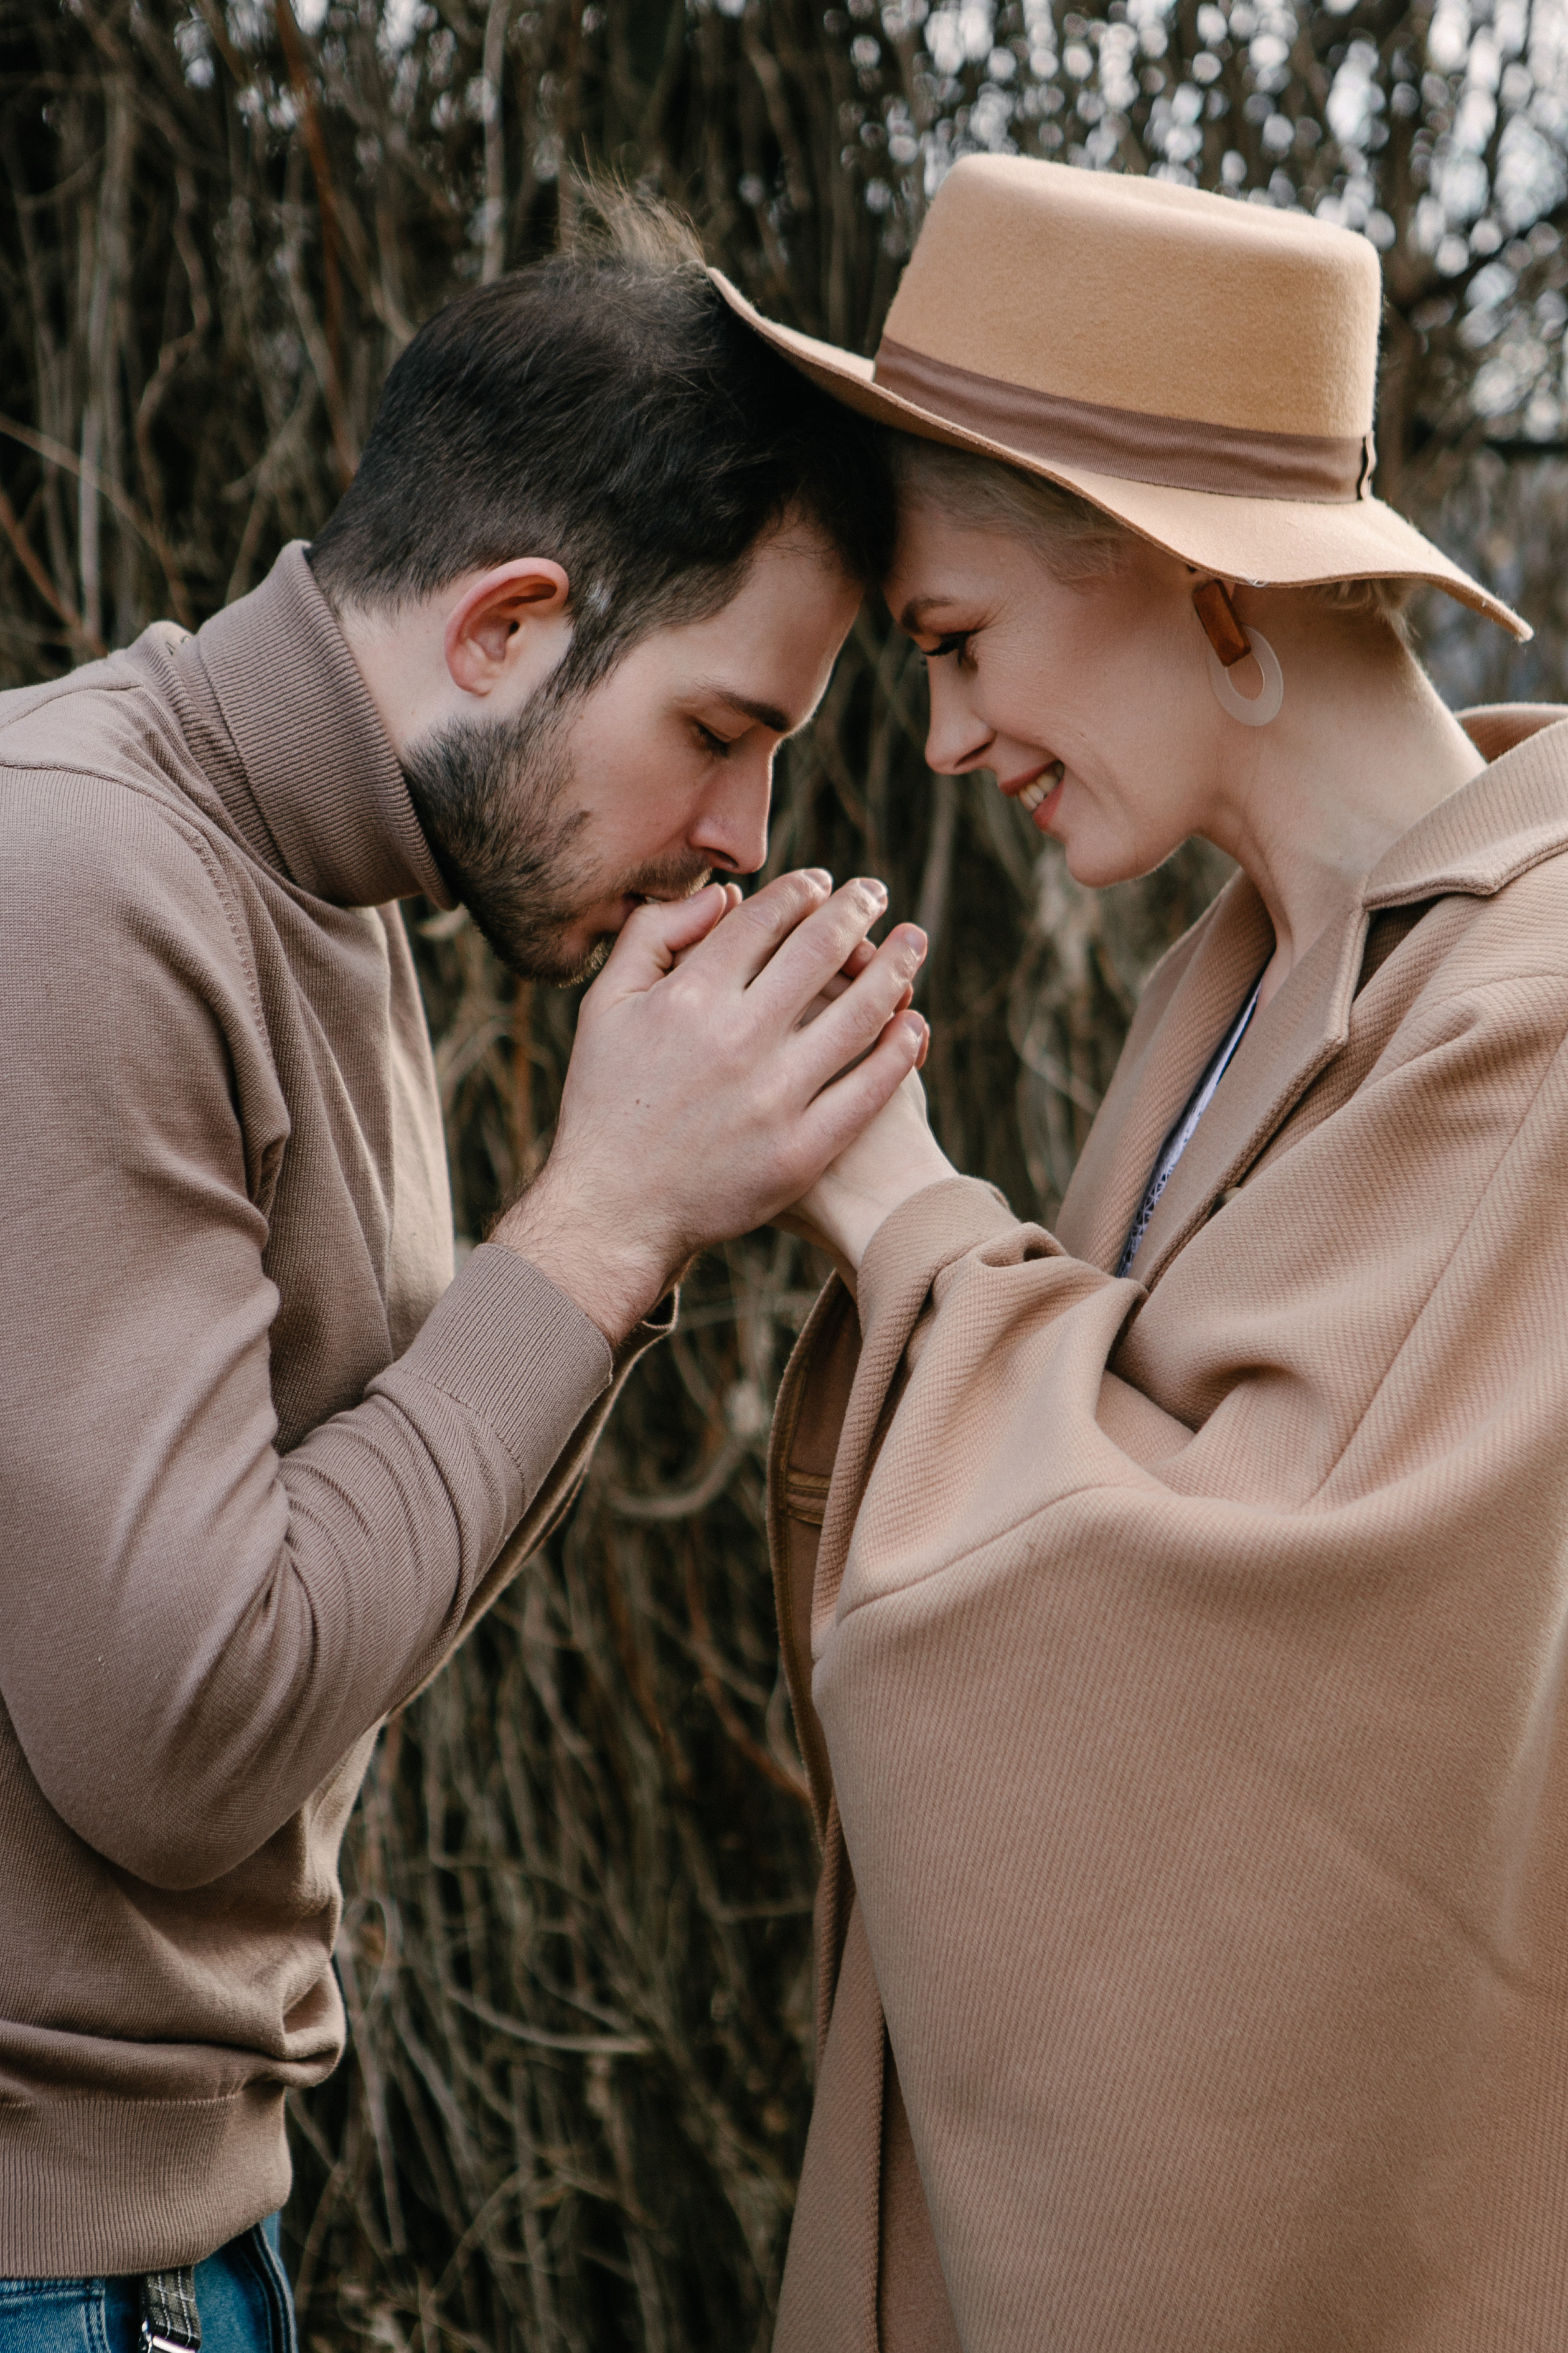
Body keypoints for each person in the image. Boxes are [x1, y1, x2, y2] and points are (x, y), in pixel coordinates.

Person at [0, 213, 932, 2348]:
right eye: (721, 725)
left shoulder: (317, 891)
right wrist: (602, 1224)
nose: (744, 826)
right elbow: (180, 1723)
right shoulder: (72, 880)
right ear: (510, 628)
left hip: (160, 2247)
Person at [730, 158, 1568, 2349]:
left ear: (1206, 587)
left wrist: (907, 1212)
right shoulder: (1262, 972)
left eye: (958, 642)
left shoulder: (1540, 1006)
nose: (940, 739)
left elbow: (1263, 1666)